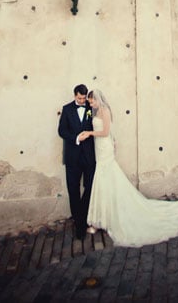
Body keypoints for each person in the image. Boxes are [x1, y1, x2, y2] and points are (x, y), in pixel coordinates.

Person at [77, 89, 178, 247]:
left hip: (104, 147)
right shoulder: (95, 111)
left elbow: (105, 132)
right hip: (98, 149)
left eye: (92, 101)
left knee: (107, 178)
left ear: (98, 99)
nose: (91, 104)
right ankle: (103, 218)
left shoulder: (105, 111)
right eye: (90, 102)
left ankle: (109, 219)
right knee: (103, 181)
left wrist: (89, 133)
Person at [57, 83, 96, 240]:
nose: (82, 101)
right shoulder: (67, 109)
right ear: (75, 95)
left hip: (88, 156)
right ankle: (79, 224)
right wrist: (76, 138)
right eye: (79, 98)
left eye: (83, 98)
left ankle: (84, 215)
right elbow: (61, 131)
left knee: (89, 186)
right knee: (73, 189)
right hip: (72, 157)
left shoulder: (91, 107)